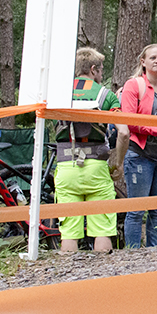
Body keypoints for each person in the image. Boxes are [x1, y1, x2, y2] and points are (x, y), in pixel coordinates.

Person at [55, 47, 129, 252]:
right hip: (96, 167)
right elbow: (123, 133)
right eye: (101, 70)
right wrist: (118, 161)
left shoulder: (58, 93)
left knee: (69, 231)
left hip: (66, 166)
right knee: (102, 229)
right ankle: (100, 280)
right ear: (93, 69)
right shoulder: (106, 95)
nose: (102, 74)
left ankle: (69, 279)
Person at [120, 44, 157, 248]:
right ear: (143, 62)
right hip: (140, 155)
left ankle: (154, 253)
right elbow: (130, 121)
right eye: (153, 57)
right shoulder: (133, 86)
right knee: (137, 210)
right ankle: (134, 255)